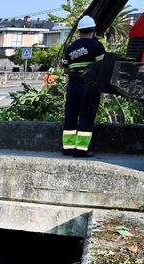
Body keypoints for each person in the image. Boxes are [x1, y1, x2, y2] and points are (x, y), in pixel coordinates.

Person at [62, 16, 105, 158]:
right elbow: (102, 66)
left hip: (73, 84)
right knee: (86, 116)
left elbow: (66, 70)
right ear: (93, 30)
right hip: (89, 85)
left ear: (79, 31)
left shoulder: (70, 48)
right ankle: (81, 150)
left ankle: (67, 148)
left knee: (71, 115)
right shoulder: (96, 46)